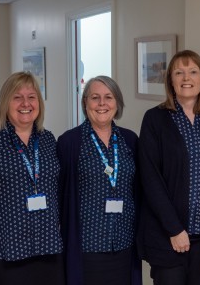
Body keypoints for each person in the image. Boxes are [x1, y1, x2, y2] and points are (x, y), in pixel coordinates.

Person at [137, 50, 200, 285]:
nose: (186, 78)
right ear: (170, 81)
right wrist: (175, 229)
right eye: (179, 72)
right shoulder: (154, 119)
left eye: (193, 72)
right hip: (167, 235)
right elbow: (150, 178)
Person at [0, 71, 64, 285]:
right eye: (17, 97)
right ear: (6, 102)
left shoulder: (48, 140)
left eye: (31, 97)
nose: (26, 103)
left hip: (47, 247)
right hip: (3, 249)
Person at [57, 75, 142, 285]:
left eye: (108, 97)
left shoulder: (130, 140)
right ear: (85, 103)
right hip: (86, 247)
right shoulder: (70, 142)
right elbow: (60, 195)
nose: (102, 104)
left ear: (117, 103)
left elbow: (139, 189)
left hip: (124, 243)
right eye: (95, 97)